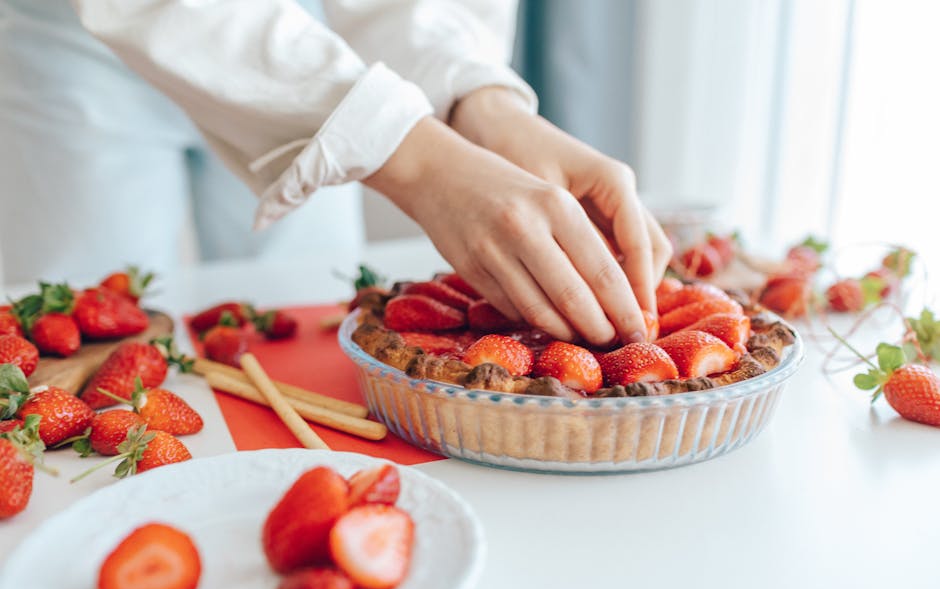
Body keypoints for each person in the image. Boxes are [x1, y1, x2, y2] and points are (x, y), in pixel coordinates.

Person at [0, 0, 671, 346]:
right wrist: (417, 157)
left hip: (307, 31)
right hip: (74, 39)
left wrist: (479, 102)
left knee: (309, 320)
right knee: (74, 335)